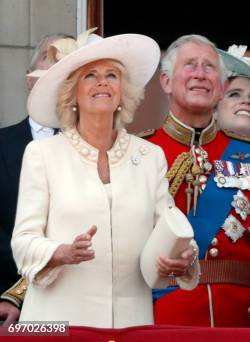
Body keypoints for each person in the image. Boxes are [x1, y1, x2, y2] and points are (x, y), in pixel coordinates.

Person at [10, 29, 199, 328]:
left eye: (112, 75)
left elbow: (168, 230)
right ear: (72, 92)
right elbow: (22, 241)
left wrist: (183, 258)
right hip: (57, 322)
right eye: (90, 75)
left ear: (123, 91)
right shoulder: (42, 154)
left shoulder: (151, 157)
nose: (102, 82)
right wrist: (60, 252)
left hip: (130, 325)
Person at [144, 34, 250, 327]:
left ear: (222, 88)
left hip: (239, 317)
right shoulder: (141, 152)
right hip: (163, 315)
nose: (200, 74)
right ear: (166, 82)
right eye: (190, 65)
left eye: (209, 67)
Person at [0, 32, 72, 325]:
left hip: (82, 299)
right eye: (49, 55)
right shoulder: (3, 144)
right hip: (8, 300)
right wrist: (21, 287)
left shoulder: (105, 149)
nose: (59, 65)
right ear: (31, 78)